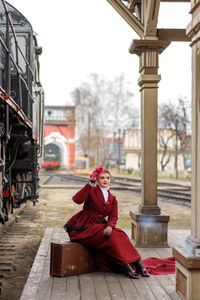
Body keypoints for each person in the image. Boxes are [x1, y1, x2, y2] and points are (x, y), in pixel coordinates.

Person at [64, 165, 150, 279]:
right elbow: (77, 200)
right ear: (97, 179)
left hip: (100, 226)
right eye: (102, 178)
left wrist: (110, 226)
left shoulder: (113, 198)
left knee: (121, 234)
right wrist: (89, 184)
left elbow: (114, 216)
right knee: (113, 237)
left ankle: (138, 263)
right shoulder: (91, 190)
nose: (105, 180)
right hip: (85, 227)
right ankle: (126, 266)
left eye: (108, 178)